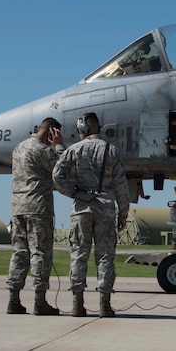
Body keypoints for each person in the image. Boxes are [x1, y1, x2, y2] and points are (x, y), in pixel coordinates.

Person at [52, 112, 129, 318]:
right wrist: (123, 213)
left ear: (82, 131)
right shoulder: (111, 150)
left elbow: (57, 175)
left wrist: (75, 193)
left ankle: (78, 304)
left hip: (81, 210)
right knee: (105, 256)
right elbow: (121, 185)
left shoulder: (74, 150)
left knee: (79, 255)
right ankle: (105, 304)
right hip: (105, 209)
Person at [6, 117, 64, 315]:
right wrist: (58, 146)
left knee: (19, 253)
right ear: (51, 133)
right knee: (40, 253)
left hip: (18, 208)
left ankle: (13, 299)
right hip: (38, 208)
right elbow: (60, 168)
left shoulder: (18, 148)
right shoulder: (42, 150)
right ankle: (39, 301)